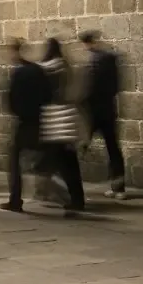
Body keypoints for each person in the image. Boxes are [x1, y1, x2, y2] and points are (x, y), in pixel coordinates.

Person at [1, 38, 49, 214]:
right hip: (40, 120)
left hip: (25, 123)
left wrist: (20, 112)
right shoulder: (37, 70)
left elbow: (12, 100)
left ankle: (15, 200)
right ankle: (73, 197)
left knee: (14, 161)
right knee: (50, 157)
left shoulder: (19, 73)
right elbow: (48, 95)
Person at [38, 37, 85, 213]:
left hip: (56, 120)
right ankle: (75, 197)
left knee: (60, 163)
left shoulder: (50, 67)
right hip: (68, 118)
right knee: (68, 163)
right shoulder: (66, 66)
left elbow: (41, 74)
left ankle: (67, 196)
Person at [79, 30, 127, 199]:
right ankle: (118, 187)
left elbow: (89, 88)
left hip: (94, 112)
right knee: (113, 148)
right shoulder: (110, 58)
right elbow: (115, 86)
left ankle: (71, 187)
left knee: (80, 146)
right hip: (107, 110)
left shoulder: (94, 61)